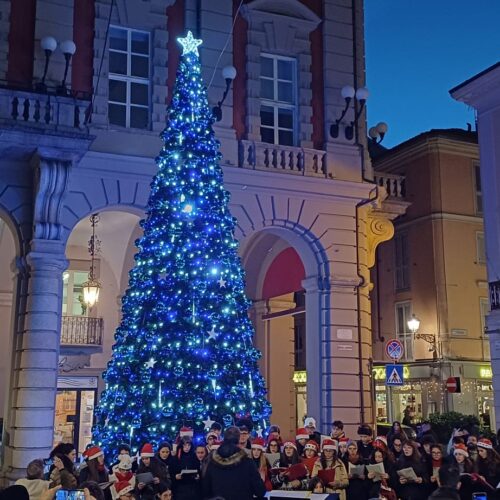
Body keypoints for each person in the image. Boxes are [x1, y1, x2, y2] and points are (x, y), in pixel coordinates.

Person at [203, 426, 267, 500]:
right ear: (238, 439)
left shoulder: (211, 462)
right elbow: (260, 491)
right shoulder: (247, 463)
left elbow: (205, 490)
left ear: (224, 438)